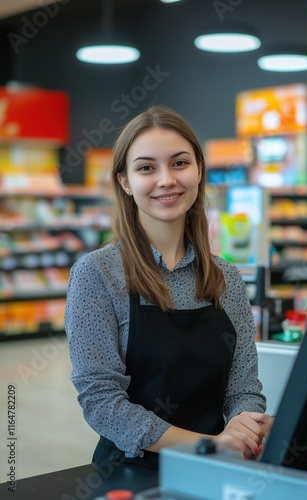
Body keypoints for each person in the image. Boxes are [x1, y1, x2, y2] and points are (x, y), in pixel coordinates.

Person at [65, 105, 273, 471]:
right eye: (147, 167)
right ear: (125, 182)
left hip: (216, 470)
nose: (166, 179)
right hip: (131, 472)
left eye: (180, 163)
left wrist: (245, 426)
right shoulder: (97, 274)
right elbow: (102, 402)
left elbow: (243, 389)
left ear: (199, 171)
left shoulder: (227, 278)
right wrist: (210, 444)